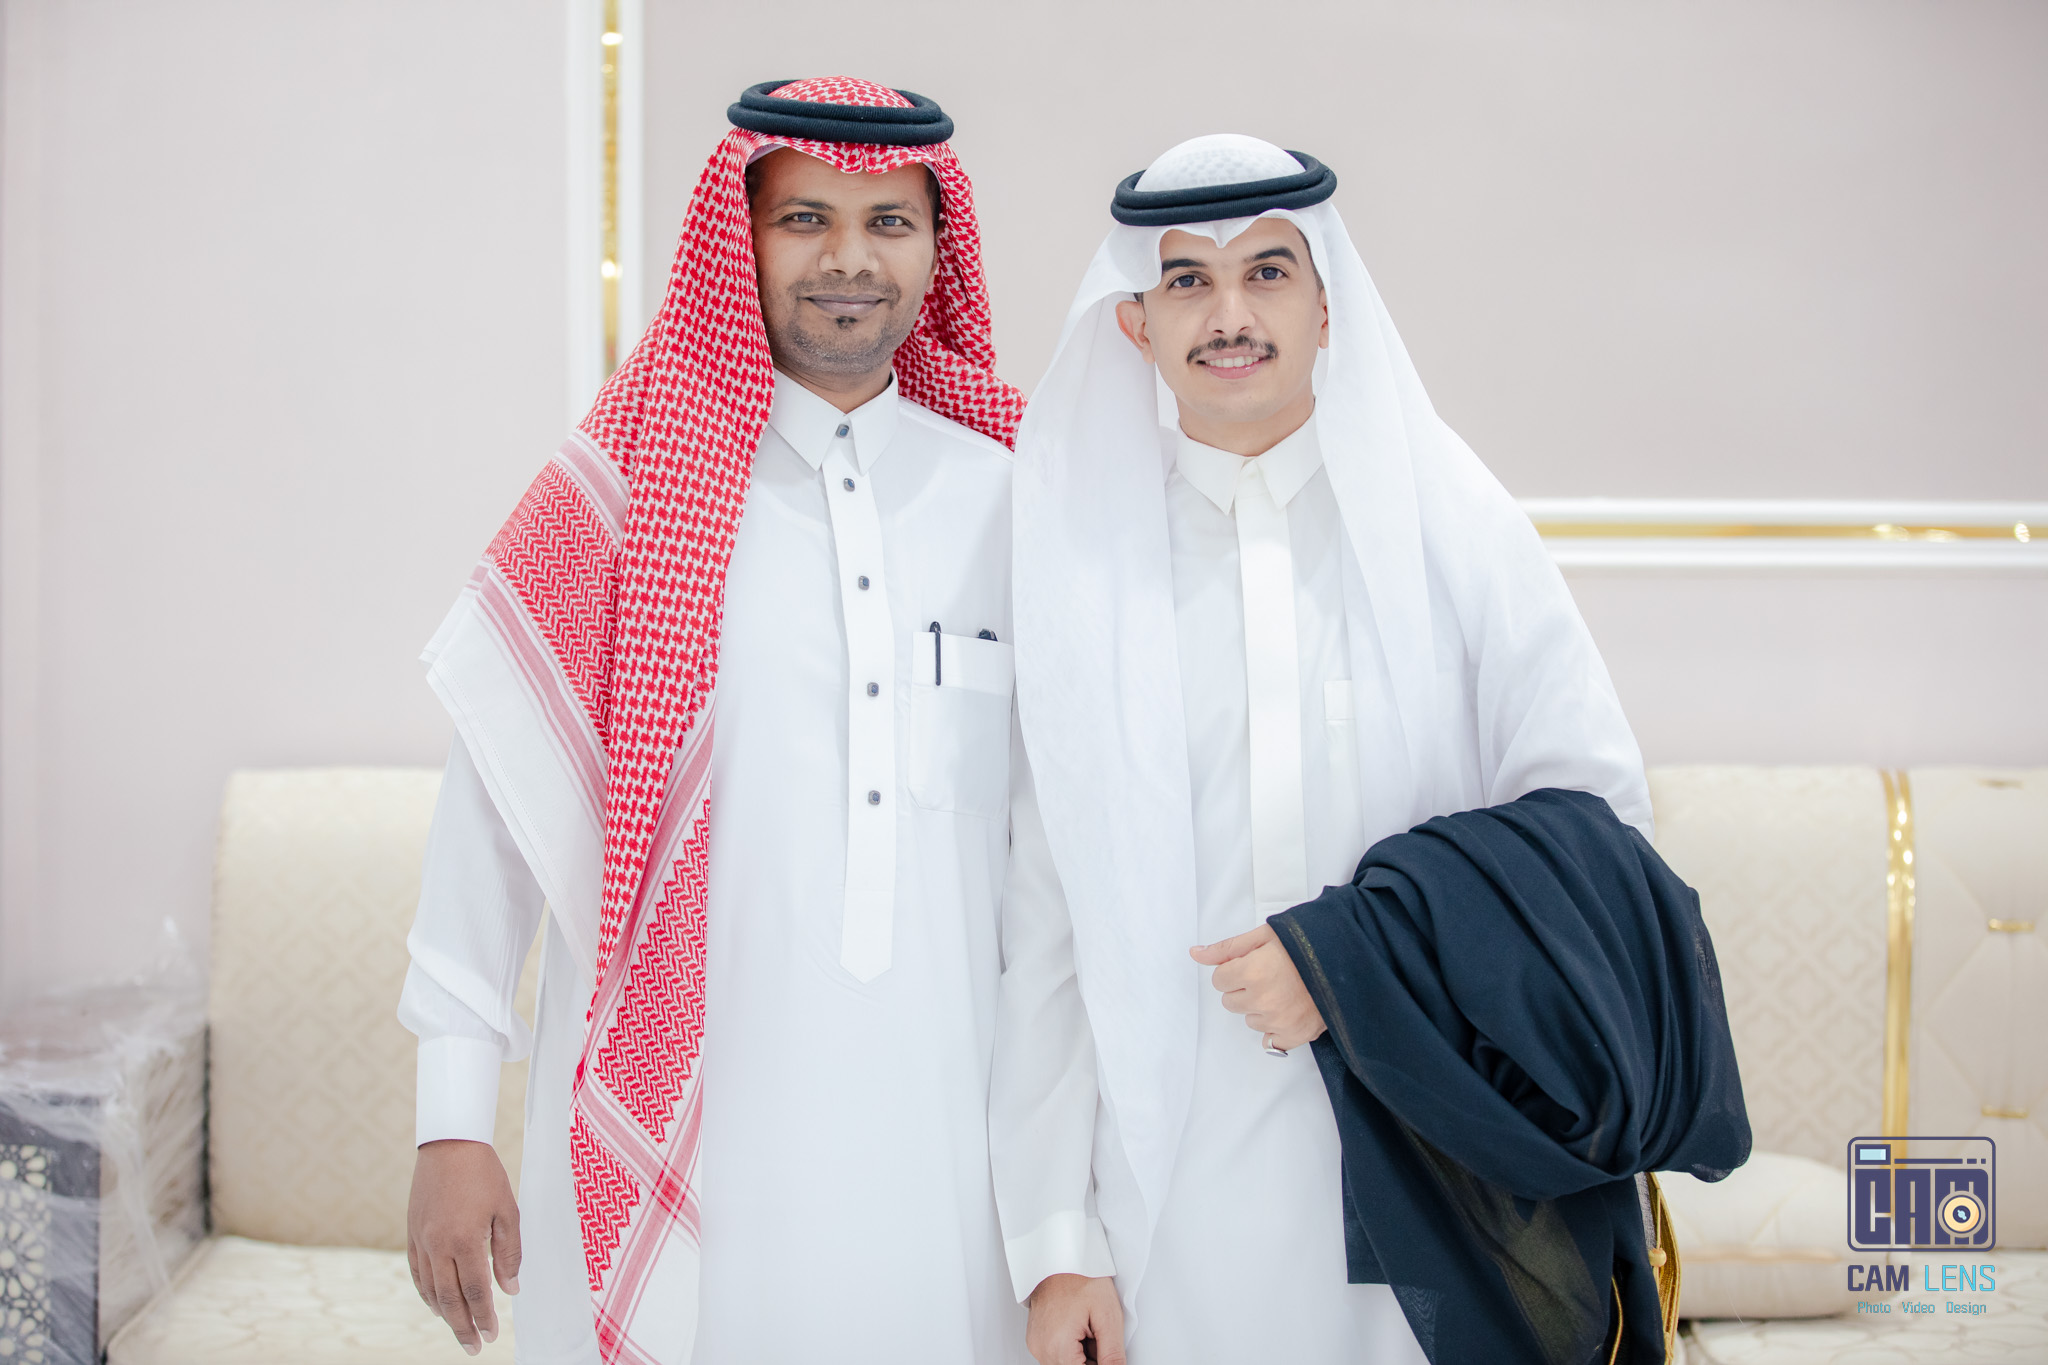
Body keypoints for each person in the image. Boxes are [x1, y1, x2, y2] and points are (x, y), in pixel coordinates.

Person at [991, 134, 1744, 1365]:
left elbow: (1593, 831)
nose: (1229, 316)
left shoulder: (1452, 524)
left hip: (1440, 1154)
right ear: (1133, 325)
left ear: (1327, 305)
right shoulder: (1081, 568)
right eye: (1186, 281)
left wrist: (1357, 955)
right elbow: (1043, 923)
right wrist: (1057, 1242)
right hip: (1170, 1195)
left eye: (1267, 273)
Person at [398, 78, 1028, 1365]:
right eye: (803, 218)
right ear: (736, 240)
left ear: (936, 247)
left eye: (888, 223)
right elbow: (491, 817)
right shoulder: (623, 495)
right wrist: (451, 1121)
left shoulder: (1018, 498)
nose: (848, 258)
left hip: (948, 1151)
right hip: (685, 1134)